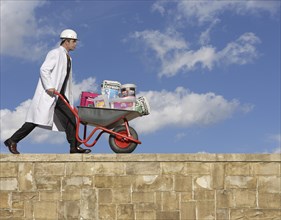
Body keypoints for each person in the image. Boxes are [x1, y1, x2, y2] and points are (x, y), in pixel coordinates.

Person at [4, 29, 91, 154]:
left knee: (71, 117)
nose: (75, 44)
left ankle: (74, 147)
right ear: (66, 41)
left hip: (59, 95)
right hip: (50, 94)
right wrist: (49, 86)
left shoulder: (68, 58)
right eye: (73, 41)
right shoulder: (55, 53)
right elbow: (44, 69)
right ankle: (12, 140)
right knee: (35, 121)